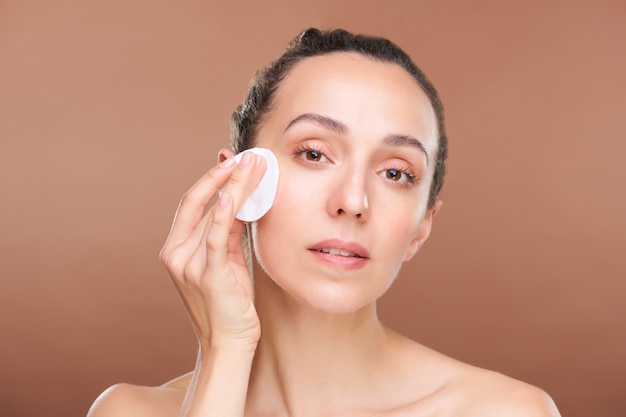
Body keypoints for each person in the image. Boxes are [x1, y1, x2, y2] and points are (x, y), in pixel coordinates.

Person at [87, 28, 561, 417]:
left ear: (422, 226)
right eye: (314, 153)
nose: (353, 202)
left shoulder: (505, 411)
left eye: (396, 173)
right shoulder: (130, 410)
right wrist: (225, 353)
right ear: (237, 182)